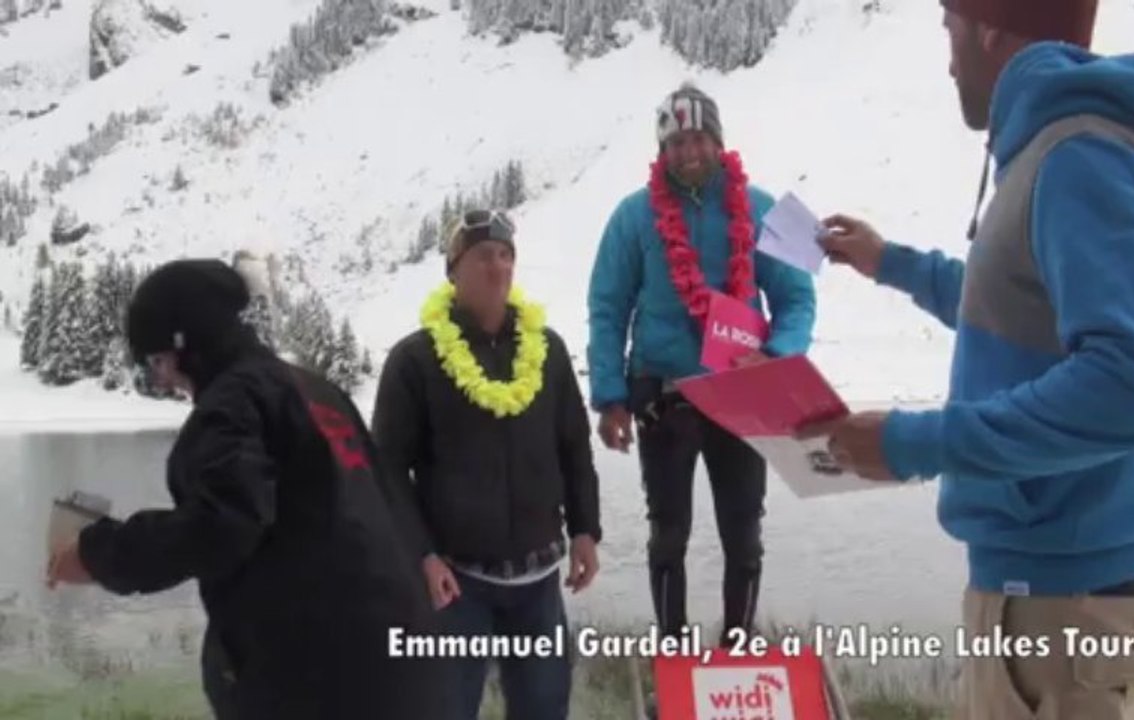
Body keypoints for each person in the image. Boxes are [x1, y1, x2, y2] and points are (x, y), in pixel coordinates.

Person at [800, 1, 1134, 718]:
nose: (948, 53)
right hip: (1044, 596)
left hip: (1065, 606)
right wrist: (889, 263)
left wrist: (911, 443)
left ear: (989, 25)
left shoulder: (1083, 159)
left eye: (948, 26)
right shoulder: (1053, 150)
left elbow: (1132, 385)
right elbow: (1017, 306)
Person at [45, 258, 456, 719]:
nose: (161, 379)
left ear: (186, 346)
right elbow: (388, 501)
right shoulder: (319, 392)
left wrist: (97, 554)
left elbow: (222, 526)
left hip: (318, 681)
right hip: (407, 669)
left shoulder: (232, 404)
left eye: (157, 361)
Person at [587, 82, 816, 647]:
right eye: (676, 142)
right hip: (664, 394)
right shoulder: (632, 216)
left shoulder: (762, 207)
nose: (688, 152)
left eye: (698, 139)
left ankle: (738, 643)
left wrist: (779, 356)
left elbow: (798, 296)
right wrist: (611, 396)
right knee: (668, 535)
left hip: (742, 395)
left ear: (718, 140)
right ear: (661, 150)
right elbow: (607, 306)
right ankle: (673, 647)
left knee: (745, 535)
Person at [372, 209, 602, 720]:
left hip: (539, 579)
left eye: (505, 255)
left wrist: (586, 529)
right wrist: (422, 556)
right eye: (482, 257)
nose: (497, 267)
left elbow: (574, 445)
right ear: (453, 272)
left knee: (543, 709)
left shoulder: (548, 350)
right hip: (455, 583)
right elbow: (385, 471)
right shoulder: (415, 360)